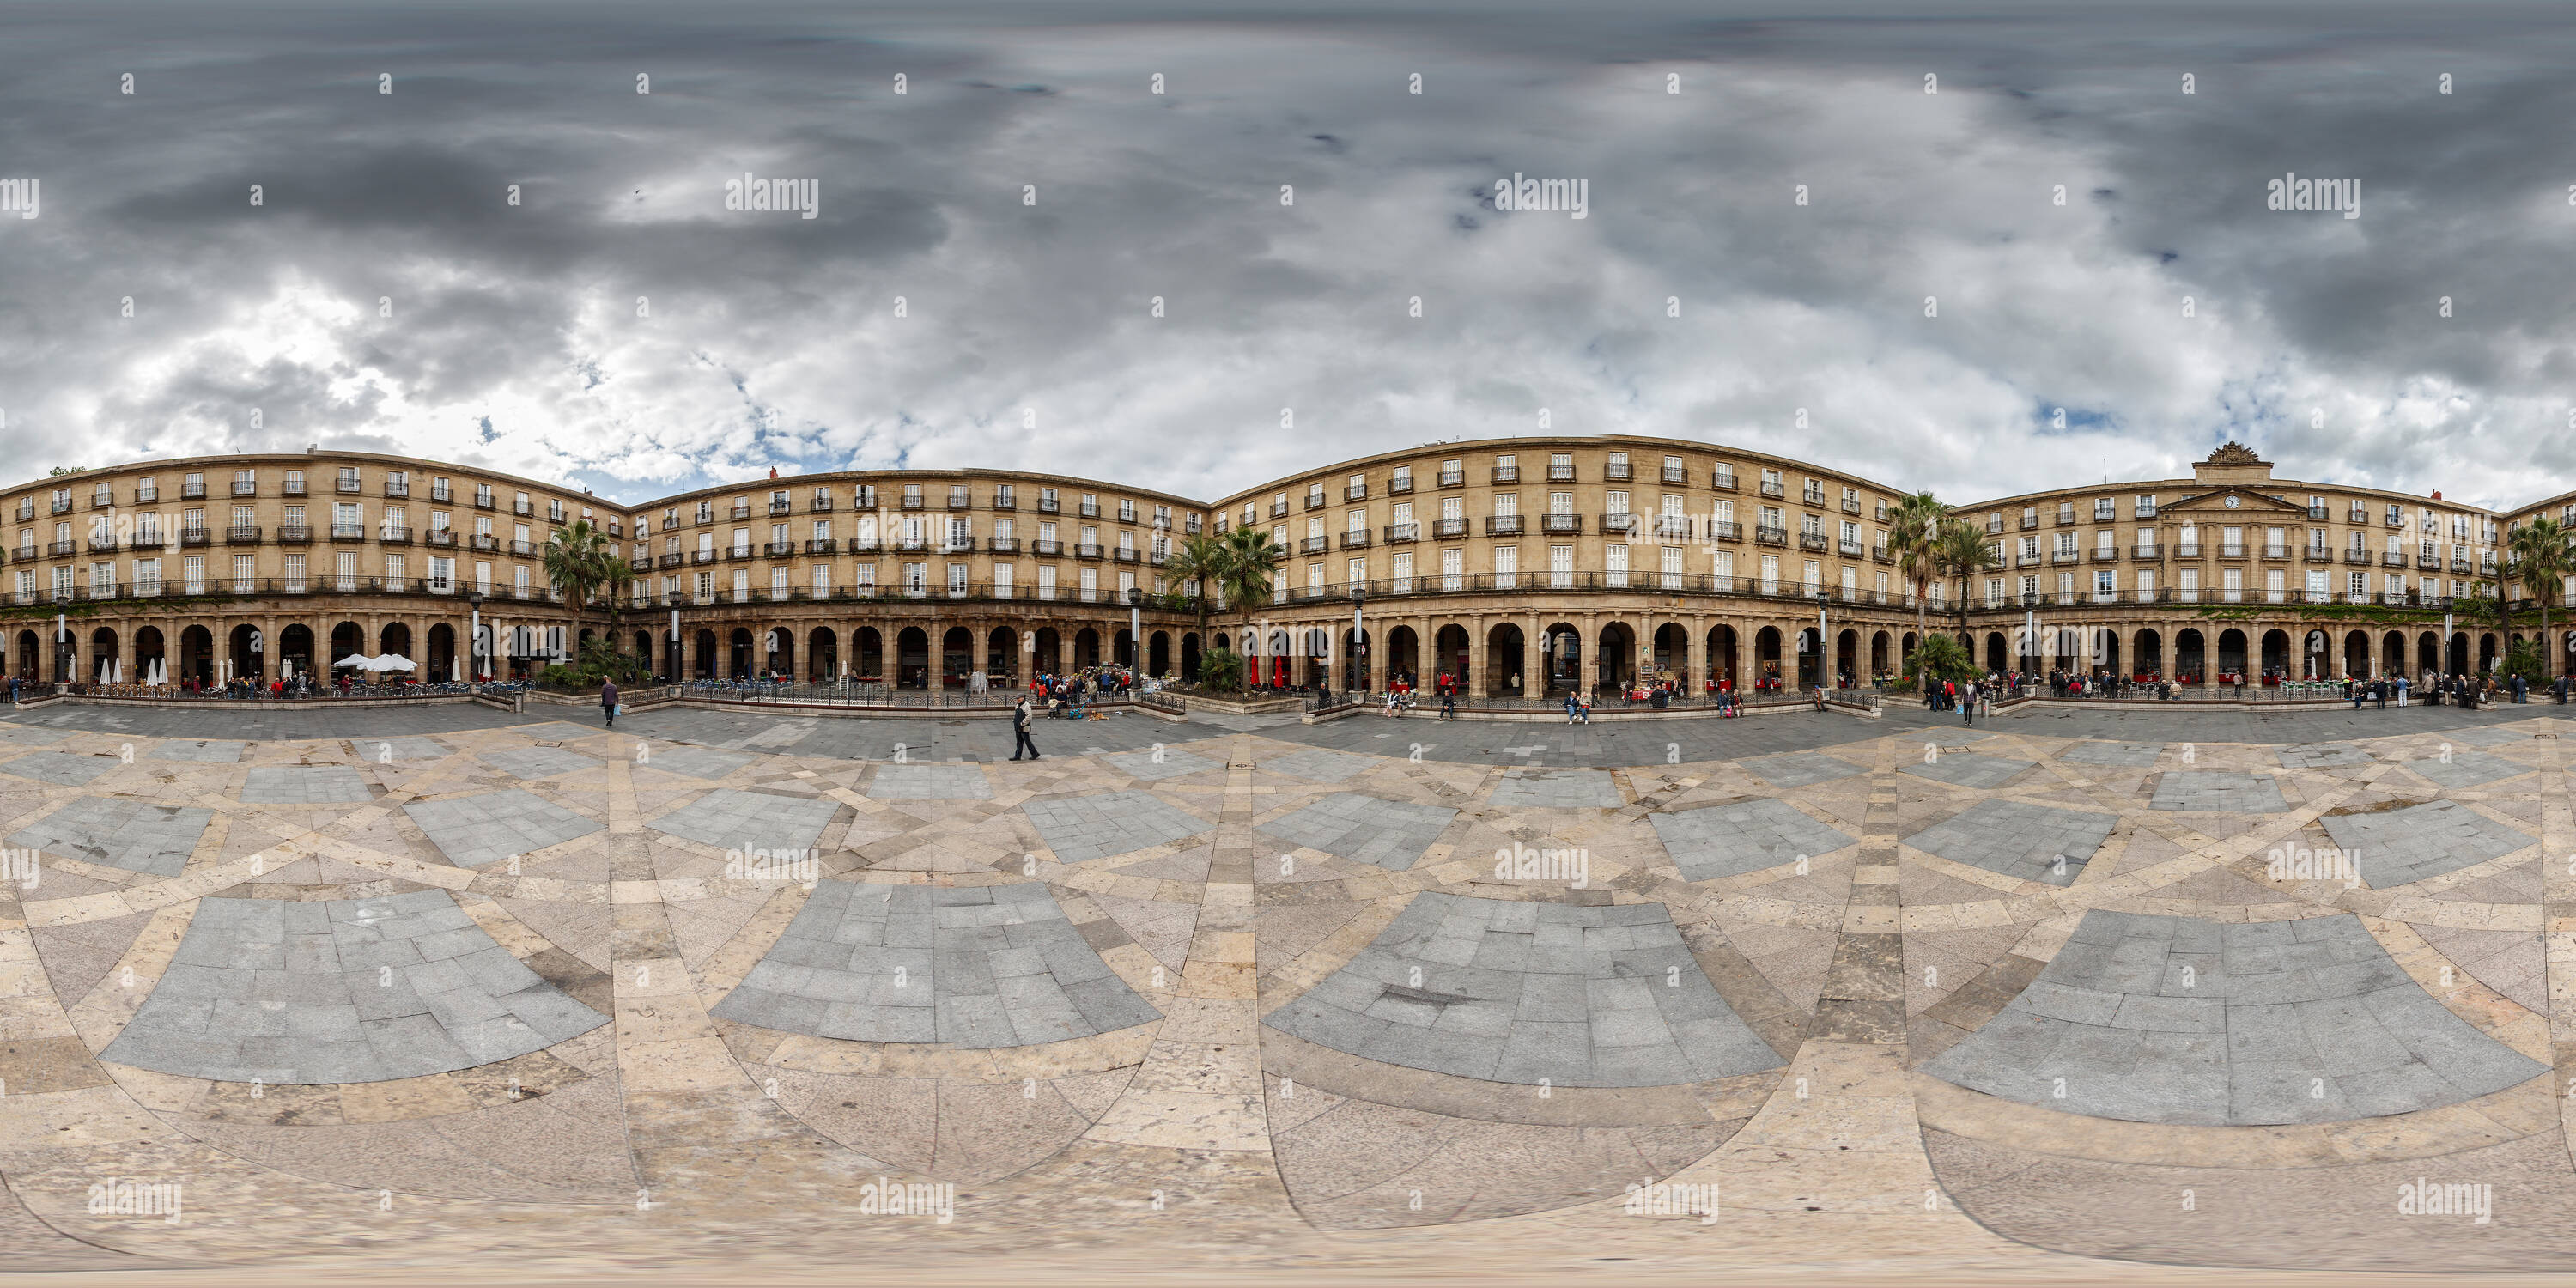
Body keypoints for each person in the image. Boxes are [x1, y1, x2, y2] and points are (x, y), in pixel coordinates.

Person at [1011, 696, 1040, 761]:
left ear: (1022, 698)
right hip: (1017, 726)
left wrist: (1022, 723)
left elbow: (1029, 716)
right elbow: (1016, 714)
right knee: (1019, 742)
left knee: (1027, 741)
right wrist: (1014, 720)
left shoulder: (1027, 705)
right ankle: (1017, 756)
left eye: (1018, 698)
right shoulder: (1017, 705)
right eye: (1017, 699)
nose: (1017, 700)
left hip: (1024, 727)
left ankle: (1035, 754)